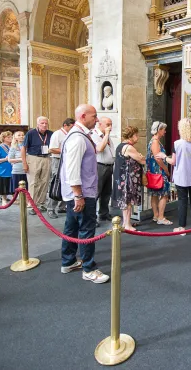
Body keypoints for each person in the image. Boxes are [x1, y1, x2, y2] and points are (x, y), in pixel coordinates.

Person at [60, 104, 108, 284]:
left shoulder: (77, 135)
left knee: (71, 227)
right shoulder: (78, 138)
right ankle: (89, 268)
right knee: (87, 229)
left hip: (79, 192)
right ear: (82, 116)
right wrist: (78, 195)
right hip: (81, 193)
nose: (96, 120)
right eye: (94, 116)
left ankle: (69, 261)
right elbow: (72, 169)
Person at [112, 126, 145, 231]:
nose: (138, 137)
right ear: (132, 136)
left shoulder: (120, 146)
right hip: (127, 179)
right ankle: (127, 224)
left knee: (125, 201)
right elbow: (142, 160)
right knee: (128, 202)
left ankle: (126, 223)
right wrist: (141, 156)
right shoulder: (129, 147)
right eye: (136, 135)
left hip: (121, 178)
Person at [22, 117, 53, 215]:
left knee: (44, 181)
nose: (44, 125)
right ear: (38, 124)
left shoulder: (50, 133)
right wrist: (24, 163)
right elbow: (23, 148)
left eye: (46, 123)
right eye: (42, 123)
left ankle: (41, 203)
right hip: (33, 157)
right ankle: (32, 204)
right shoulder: (31, 133)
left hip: (47, 158)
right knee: (33, 182)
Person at [47, 118, 75, 219]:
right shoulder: (57, 134)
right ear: (65, 125)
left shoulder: (71, 135)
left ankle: (62, 206)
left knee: (67, 182)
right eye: (71, 127)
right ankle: (51, 208)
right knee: (56, 182)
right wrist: (67, 151)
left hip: (67, 160)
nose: (73, 129)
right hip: (58, 160)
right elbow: (52, 149)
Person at [147, 121, 172, 226]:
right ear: (159, 130)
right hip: (158, 171)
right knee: (164, 194)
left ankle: (156, 215)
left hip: (153, 171)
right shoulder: (155, 142)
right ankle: (161, 217)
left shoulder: (153, 141)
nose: (165, 132)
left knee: (155, 194)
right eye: (163, 130)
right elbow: (158, 158)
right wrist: (166, 169)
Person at [91, 116, 115, 227]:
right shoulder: (94, 135)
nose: (110, 127)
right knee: (97, 192)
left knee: (107, 192)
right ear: (100, 124)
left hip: (109, 166)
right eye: (108, 124)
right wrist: (106, 135)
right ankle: (92, 217)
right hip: (99, 166)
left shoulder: (107, 136)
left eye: (111, 124)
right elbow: (99, 149)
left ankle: (104, 213)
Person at [0, 131, 14, 206]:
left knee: (13, 184)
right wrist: (5, 159)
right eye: (8, 137)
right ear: (4, 138)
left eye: (11, 136)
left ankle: (14, 198)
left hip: (13, 169)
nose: (11, 138)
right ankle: (4, 199)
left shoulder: (14, 146)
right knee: (3, 185)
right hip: (2, 169)